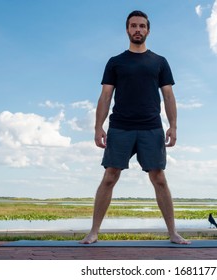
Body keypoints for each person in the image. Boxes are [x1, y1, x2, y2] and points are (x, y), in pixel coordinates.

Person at [80, 10, 190, 245]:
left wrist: (174, 126)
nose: (137, 29)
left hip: (151, 127)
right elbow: (105, 95)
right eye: (133, 26)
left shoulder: (159, 62)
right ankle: (93, 232)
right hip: (120, 126)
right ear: (127, 30)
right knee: (110, 176)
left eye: (141, 26)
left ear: (148, 30)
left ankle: (173, 233)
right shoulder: (115, 62)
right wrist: (98, 126)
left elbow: (168, 95)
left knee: (159, 178)